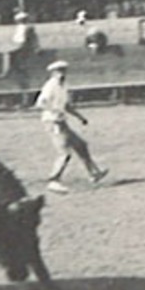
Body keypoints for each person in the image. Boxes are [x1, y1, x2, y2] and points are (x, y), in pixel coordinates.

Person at [36, 61, 107, 194]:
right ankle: (54, 180)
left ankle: (93, 173)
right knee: (64, 153)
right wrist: (54, 111)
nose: (62, 74)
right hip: (53, 122)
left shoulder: (63, 86)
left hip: (62, 121)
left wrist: (79, 117)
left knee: (81, 145)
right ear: (53, 73)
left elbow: (66, 106)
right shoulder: (50, 85)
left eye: (64, 71)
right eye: (59, 71)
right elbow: (40, 103)